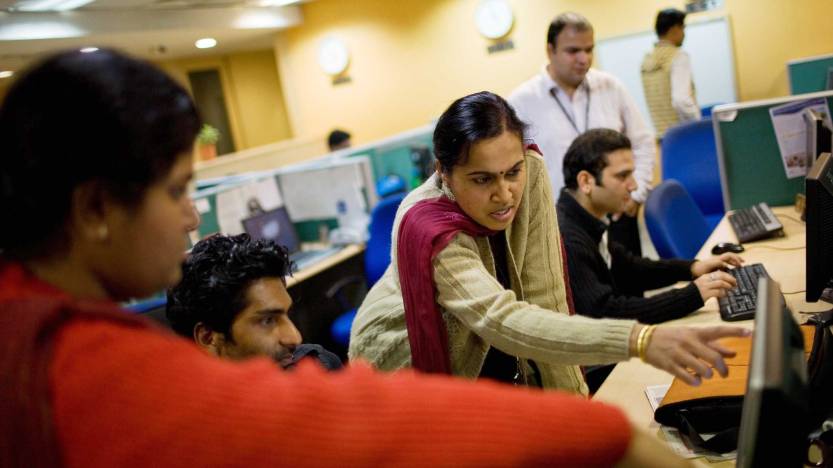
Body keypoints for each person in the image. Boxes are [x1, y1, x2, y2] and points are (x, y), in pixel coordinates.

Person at [0, 48, 695, 467]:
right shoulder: (79, 371)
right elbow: (343, 418)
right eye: (179, 190)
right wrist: (601, 424)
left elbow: (539, 296)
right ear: (95, 209)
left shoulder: (30, 326)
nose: (191, 216)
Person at [349, 90, 748, 394]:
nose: (505, 194)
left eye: (512, 172)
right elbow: (501, 319)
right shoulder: (427, 225)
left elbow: (545, 296)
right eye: (482, 179)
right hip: (402, 355)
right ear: (443, 172)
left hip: (491, 340)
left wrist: (577, 402)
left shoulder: (532, 170)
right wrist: (639, 339)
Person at [557, 128, 740, 391]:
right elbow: (606, 313)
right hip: (593, 373)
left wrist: (692, 268)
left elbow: (629, 266)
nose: (633, 185)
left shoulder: (587, 219)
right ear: (586, 181)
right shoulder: (569, 238)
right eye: (622, 176)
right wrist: (692, 295)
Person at [509, 12, 655, 256]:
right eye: (573, 51)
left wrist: (636, 195)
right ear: (550, 50)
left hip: (617, 216)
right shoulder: (521, 102)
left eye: (589, 50)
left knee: (632, 278)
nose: (584, 59)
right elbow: (513, 168)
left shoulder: (611, 87)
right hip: (560, 226)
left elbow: (642, 142)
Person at [166, 233, 341, 370]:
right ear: (208, 337)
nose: (295, 337)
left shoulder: (320, 365)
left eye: (287, 314)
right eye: (267, 321)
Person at [641, 8, 701, 138]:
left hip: (665, 138)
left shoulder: (647, 61)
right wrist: (698, 124)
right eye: (683, 28)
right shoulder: (678, 57)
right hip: (685, 135)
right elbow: (681, 100)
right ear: (674, 28)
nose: (684, 34)